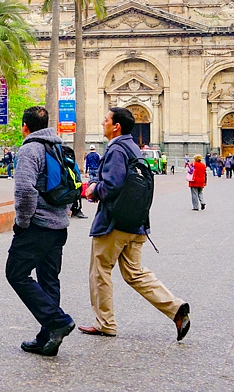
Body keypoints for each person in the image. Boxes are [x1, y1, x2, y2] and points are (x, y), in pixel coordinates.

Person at [79, 107, 190, 341]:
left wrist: (93, 189)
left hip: (114, 224)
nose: (102, 123)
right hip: (136, 223)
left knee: (100, 270)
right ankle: (176, 308)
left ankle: (105, 323)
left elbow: (112, 184)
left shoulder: (116, 149)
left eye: (106, 120)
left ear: (116, 126)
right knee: (135, 273)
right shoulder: (134, 148)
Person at [7, 106, 76, 357]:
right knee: (49, 280)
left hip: (37, 227)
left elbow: (25, 191)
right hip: (59, 227)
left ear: (25, 126)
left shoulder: (29, 149)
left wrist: (22, 222)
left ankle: (58, 321)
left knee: (16, 274)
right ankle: (48, 338)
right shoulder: (60, 147)